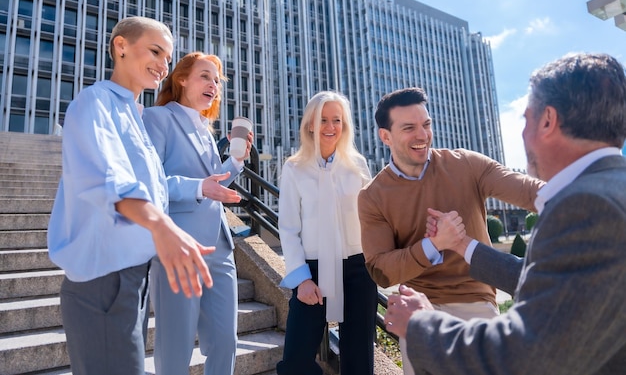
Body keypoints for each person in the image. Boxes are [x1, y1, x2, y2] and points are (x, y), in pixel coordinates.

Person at [384, 52, 626, 375]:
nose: (523, 134)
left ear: (548, 121)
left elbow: (524, 355)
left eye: (526, 119)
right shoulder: (612, 188)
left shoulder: (583, 205)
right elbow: (553, 281)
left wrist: (421, 325)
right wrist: (462, 245)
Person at [47, 16, 214, 375]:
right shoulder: (95, 102)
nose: (163, 65)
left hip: (133, 279)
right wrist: (163, 228)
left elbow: (155, 189)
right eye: (155, 51)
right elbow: (108, 181)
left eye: (167, 59)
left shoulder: (135, 115)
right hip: (104, 280)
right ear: (120, 46)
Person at [357, 86, 544, 373]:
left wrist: (585, 194)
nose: (422, 135)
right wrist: (434, 244)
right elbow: (381, 270)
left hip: (476, 302)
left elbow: (529, 190)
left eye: (426, 124)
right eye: (409, 128)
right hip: (418, 307)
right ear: (386, 136)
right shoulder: (372, 196)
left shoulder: (466, 164)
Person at [142, 52, 253, 375]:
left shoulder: (205, 129)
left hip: (219, 248)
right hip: (178, 245)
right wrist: (199, 187)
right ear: (182, 79)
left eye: (217, 80)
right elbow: (152, 183)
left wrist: (235, 163)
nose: (213, 85)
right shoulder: (157, 118)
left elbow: (210, 184)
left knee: (225, 341)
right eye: (205, 76)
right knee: (175, 344)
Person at [276, 91, 378, 375]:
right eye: (323, 119)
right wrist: (301, 279)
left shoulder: (357, 166)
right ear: (310, 124)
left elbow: (372, 218)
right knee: (295, 361)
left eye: (337, 120)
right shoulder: (294, 168)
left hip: (358, 269)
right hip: (312, 271)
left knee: (359, 359)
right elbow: (288, 228)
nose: (331, 127)